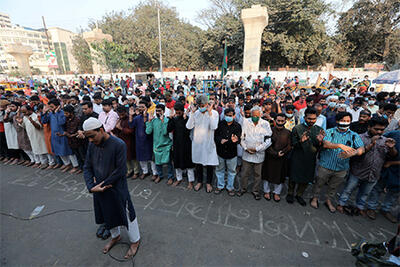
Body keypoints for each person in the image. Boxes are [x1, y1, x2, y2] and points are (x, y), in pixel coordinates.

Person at [83, 117, 140, 259]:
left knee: (127, 214)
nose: (90, 140)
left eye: (92, 136)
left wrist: (101, 185)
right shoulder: (92, 144)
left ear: (101, 130)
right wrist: (91, 187)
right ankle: (116, 237)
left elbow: (120, 171)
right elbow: (87, 167)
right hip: (99, 189)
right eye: (88, 137)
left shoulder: (118, 144)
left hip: (117, 188)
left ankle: (135, 241)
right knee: (107, 213)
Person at [338, 118, 397, 217]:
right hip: (357, 171)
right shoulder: (359, 138)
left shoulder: (385, 141)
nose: (379, 132)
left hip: (374, 173)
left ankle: (359, 207)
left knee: (365, 193)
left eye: (382, 130)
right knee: (348, 189)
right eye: (376, 129)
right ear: (369, 127)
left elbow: (392, 155)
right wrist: (370, 144)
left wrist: (391, 148)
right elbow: (354, 154)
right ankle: (341, 204)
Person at [310, 112, 365, 212]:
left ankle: (328, 200)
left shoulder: (353, 135)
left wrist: (354, 153)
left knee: (333, 187)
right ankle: (315, 198)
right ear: (337, 121)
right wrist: (339, 145)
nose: (345, 123)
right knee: (319, 183)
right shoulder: (330, 131)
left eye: (348, 121)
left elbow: (362, 148)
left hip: (342, 168)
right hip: (326, 164)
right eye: (343, 121)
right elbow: (326, 144)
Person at [287, 107, 324, 206]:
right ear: (304, 118)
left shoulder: (319, 130)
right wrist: (300, 141)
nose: (311, 121)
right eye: (309, 119)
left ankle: (299, 195)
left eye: (313, 119)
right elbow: (293, 144)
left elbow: (320, 148)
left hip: (311, 158)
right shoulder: (297, 128)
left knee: (306, 178)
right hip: (297, 156)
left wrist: (321, 142)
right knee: (293, 176)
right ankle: (290, 193)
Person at [186, 95, 219, 193]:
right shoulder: (196, 113)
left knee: (209, 164)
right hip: (198, 143)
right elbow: (189, 126)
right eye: (199, 105)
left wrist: (209, 113)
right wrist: (191, 113)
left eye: (203, 105)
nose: (201, 107)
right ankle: (199, 181)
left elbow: (214, 127)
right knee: (198, 163)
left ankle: (208, 183)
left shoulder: (214, 113)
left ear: (207, 104)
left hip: (208, 143)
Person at [366, 130, 400, 223]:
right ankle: (371, 207)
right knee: (378, 187)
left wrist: (392, 163)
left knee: (394, 191)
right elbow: (379, 139)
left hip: (396, 170)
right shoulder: (395, 133)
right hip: (385, 167)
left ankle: (386, 209)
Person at [239, 106, 272, 200]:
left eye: (257, 115)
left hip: (259, 154)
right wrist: (246, 148)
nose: (255, 117)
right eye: (253, 115)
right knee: (244, 173)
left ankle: (256, 191)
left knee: (257, 175)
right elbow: (241, 137)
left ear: (261, 115)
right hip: (247, 152)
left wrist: (257, 149)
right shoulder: (246, 122)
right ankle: (243, 188)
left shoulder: (265, 124)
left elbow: (268, 140)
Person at [41, 99, 77, 172]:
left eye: (52, 107)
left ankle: (75, 166)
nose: (50, 108)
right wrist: (44, 113)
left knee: (68, 151)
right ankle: (67, 164)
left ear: (57, 106)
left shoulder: (62, 113)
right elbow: (44, 121)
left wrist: (57, 113)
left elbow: (61, 122)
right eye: (50, 107)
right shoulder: (51, 113)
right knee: (59, 151)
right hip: (54, 135)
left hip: (62, 134)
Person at [262, 113, 291, 202]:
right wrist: (275, 153)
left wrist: (282, 152)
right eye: (278, 120)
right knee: (267, 174)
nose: (280, 123)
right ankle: (266, 191)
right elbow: (266, 144)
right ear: (275, 120)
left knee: (279, 176)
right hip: (270, 156)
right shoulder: (269, 130)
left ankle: (276, 193)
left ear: (285, 121)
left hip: (282, 157)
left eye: (282, 121)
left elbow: (289, 145)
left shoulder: (288, 132)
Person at [214, 107, 242, 196]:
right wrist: (220, 140)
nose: (228, 117)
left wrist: (232, 141)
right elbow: (215, 136)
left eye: (230, 115)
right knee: (219, 170)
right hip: (221, 152)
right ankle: (220, 186)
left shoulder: (237, 126)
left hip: (232, 153)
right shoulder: (220, 124)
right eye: (227, 115)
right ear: (224, 115)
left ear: (234, 116)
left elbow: (238, 139)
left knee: (232, 171)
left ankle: (230, 187)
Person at [167, 102, 195, 188]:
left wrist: (185, 119)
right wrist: (171, 119)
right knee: (177, 162)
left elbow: (188, 130)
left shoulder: (187, 119)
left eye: (179, 111)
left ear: (183, 111)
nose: (177, 113)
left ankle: (190, 181)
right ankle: (179, 178)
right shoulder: (174, 119)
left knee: (188, 163)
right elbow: (169, 129)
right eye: (176, 111)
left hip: (186, 144)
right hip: (176, 144)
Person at [146, 104, 174, 184]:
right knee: (157, 163)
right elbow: (148, 132)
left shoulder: (167, 120)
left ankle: (170, 177)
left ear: (164, 111)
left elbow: (165, 132)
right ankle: (160, 175)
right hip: (157, 145)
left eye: (160, 111)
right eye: (157, 111)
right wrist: (149, 121)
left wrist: (162, 122)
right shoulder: (154, 120)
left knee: (168, 163)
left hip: (166, 145)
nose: (158, 112)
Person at [129, 101, 158, 180]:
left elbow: (149, 128)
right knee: (141, 157)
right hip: (139, 141)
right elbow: (131, 125)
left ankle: (155, 173)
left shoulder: (150, 116)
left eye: (143, 107)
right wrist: (131, 116)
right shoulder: (137, 118)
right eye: (139, 107)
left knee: (151, 158)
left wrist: (146, 118)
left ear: (146, 108)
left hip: (149, 140)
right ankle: (145, 172)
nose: (141, 109)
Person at [18, 105, 50, 169]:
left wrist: (32, 121)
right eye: (22, 112)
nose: (24, 114)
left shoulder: (36, 116)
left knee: (44, 149)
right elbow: (24, 126)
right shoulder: (25, 117)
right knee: (37, 149)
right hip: (32, 136)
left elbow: (39, 127)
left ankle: (50, 162)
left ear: (30, 110)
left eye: (25, 112)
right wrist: (21, 123)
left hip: (39, 135)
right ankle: (42, 162)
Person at [112, 106, 140, 179]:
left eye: (122, 114)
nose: (121, 116)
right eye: (119, 114)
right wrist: (116, 126)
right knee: (126, 157)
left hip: (130, 140)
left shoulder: (130, 118)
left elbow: (131, 131)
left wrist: (120, 128)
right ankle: (129, 170)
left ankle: (136, 171)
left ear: (125, 112)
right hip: (122, 140)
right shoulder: (119, 119)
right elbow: (115, 130)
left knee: (133, 157)